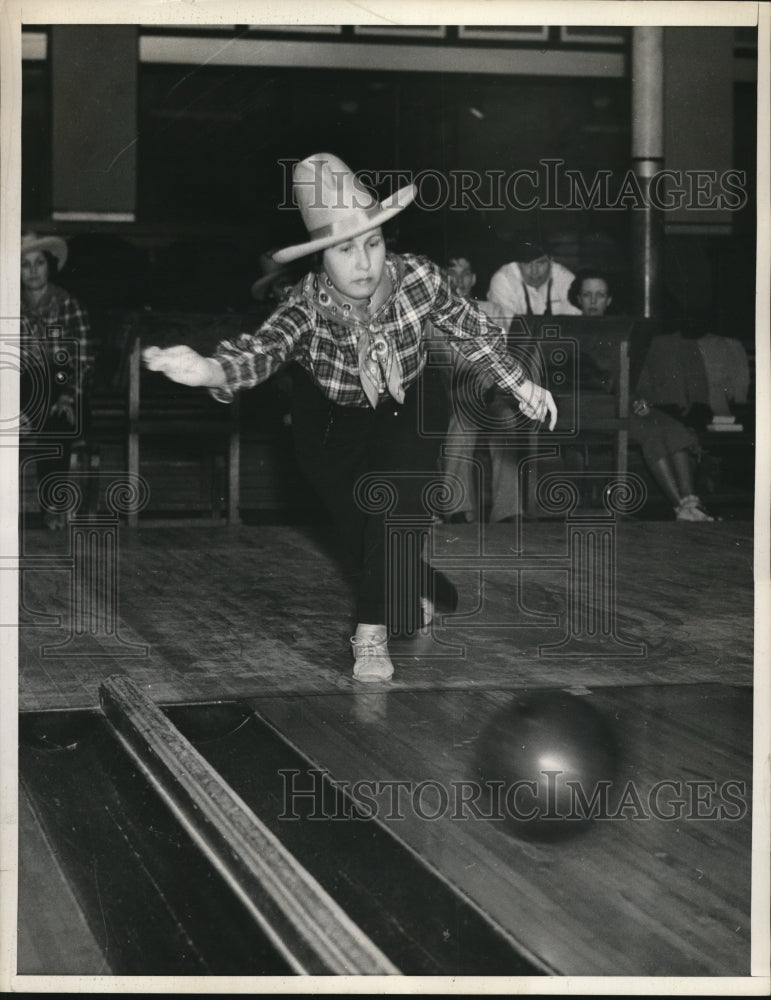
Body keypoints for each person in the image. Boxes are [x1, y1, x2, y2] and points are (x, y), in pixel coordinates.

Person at [144, 153, 557, 683]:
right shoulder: (305, 304)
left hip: (403, 402)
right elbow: (264, 350)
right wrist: (208, 371)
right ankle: (413, 587)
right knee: (368, 537)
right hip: (330, 420)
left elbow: (471, 329)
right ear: (322, 258)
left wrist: (519, 382)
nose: (363, 263)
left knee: (396, 512)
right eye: (345, 249)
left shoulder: (420, 279)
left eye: (373, 243)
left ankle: (368, 634)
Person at [567, 270, 715, 522]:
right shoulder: (570, 330)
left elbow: (632, 375)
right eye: (587, 295)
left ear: (609, 300)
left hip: (623, 402)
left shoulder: (624, 331)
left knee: (672, 428)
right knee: (649, 432)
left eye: (600, 295)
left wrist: (640, 399)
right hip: (587, 407)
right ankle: (679, 506)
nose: (593, 301)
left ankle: (691, 503)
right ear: (578, 299)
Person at [440, 253, 527, 523]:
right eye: (451, 273)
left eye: (465, 273)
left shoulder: (497, 311)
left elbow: (518, 348)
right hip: (453, 396)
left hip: (492, 395)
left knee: (506, 420)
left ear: (474, 279)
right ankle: (456, 509)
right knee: (463, 421)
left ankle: (507, 512)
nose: (459, 280)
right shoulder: (434, 316)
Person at [20, 232, 94, 529]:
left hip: (65, 391)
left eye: (39, 263)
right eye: (25, 264)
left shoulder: (68, 304)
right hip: (24, 392)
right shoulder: (8, 305)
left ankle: (53, 504)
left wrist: (67, 397)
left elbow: (84, 360)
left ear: (48, 266)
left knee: (59, 420)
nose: (34, 270)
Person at [486, 238, 581, 331]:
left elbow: (574, 325)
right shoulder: (504, 279)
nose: (534, 271)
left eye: (540, 263)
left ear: (551, 261)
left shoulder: (566, 279)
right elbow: (508, 329)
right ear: (517, 263)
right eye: (527, 263)